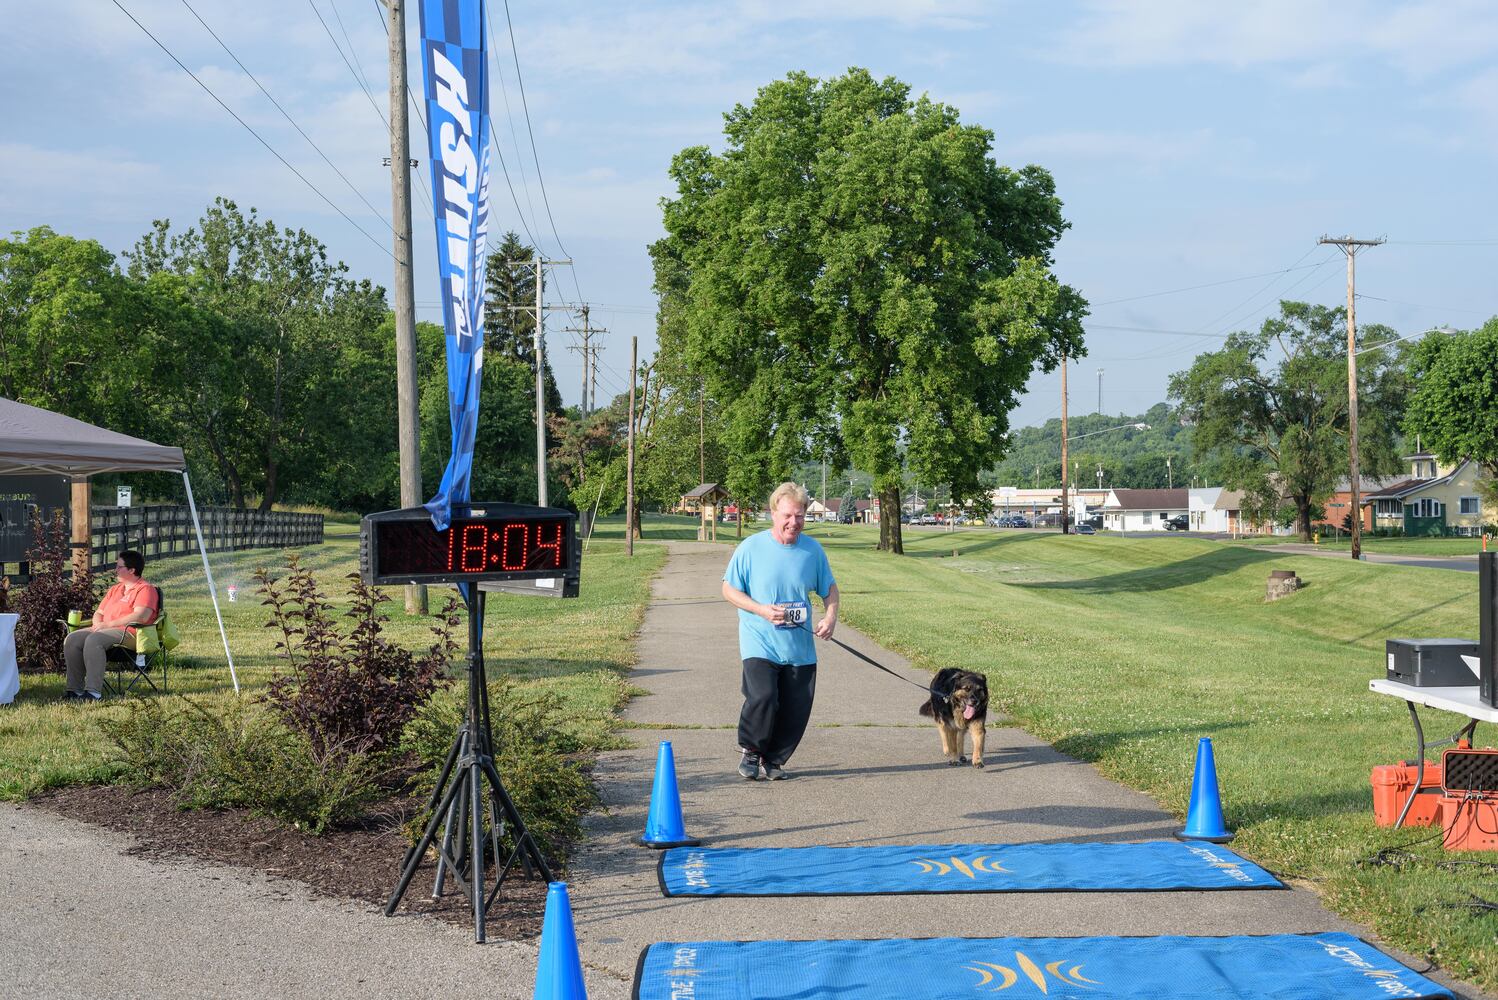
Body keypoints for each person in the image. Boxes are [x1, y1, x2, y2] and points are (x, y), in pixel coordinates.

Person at [721, 482, 839, 780]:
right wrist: (761, 610)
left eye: (799, 516)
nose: (794, 522)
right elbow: (728, 589)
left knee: (796, 708)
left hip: (799, 647)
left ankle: (774, 759)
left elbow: (829, 589)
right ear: (773, 513)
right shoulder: (751, 547)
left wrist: (830, 616)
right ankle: (751, 750)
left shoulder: (812, 551)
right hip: (759, 640)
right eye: (787, 515)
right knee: (763, 696)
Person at [63, 549, 159, 702]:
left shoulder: (145, 589)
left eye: (119, 567)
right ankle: (74, 690)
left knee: (94, 640)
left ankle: (93, 693)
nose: (116, 570)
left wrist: (107, 625)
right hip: (106, 630)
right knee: (72, 639)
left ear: (132, 570)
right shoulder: (116, 589)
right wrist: (97, 624)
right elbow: (99, 612)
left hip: (132, 633)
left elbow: (141, 616)